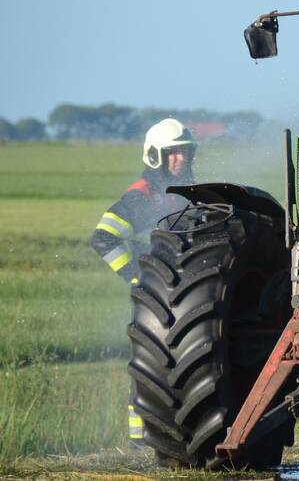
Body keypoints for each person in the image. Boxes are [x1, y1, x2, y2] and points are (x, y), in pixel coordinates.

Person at [90, 117, 197, 446]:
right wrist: (137, 278)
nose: (181, 158)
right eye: (173, 153)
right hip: (156, 298)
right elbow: (104, 238)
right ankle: (141, 444)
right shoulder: (142, 195)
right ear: (155, 156)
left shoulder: (184, 192)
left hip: (184, 295)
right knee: (151, 368)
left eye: (186, 152)